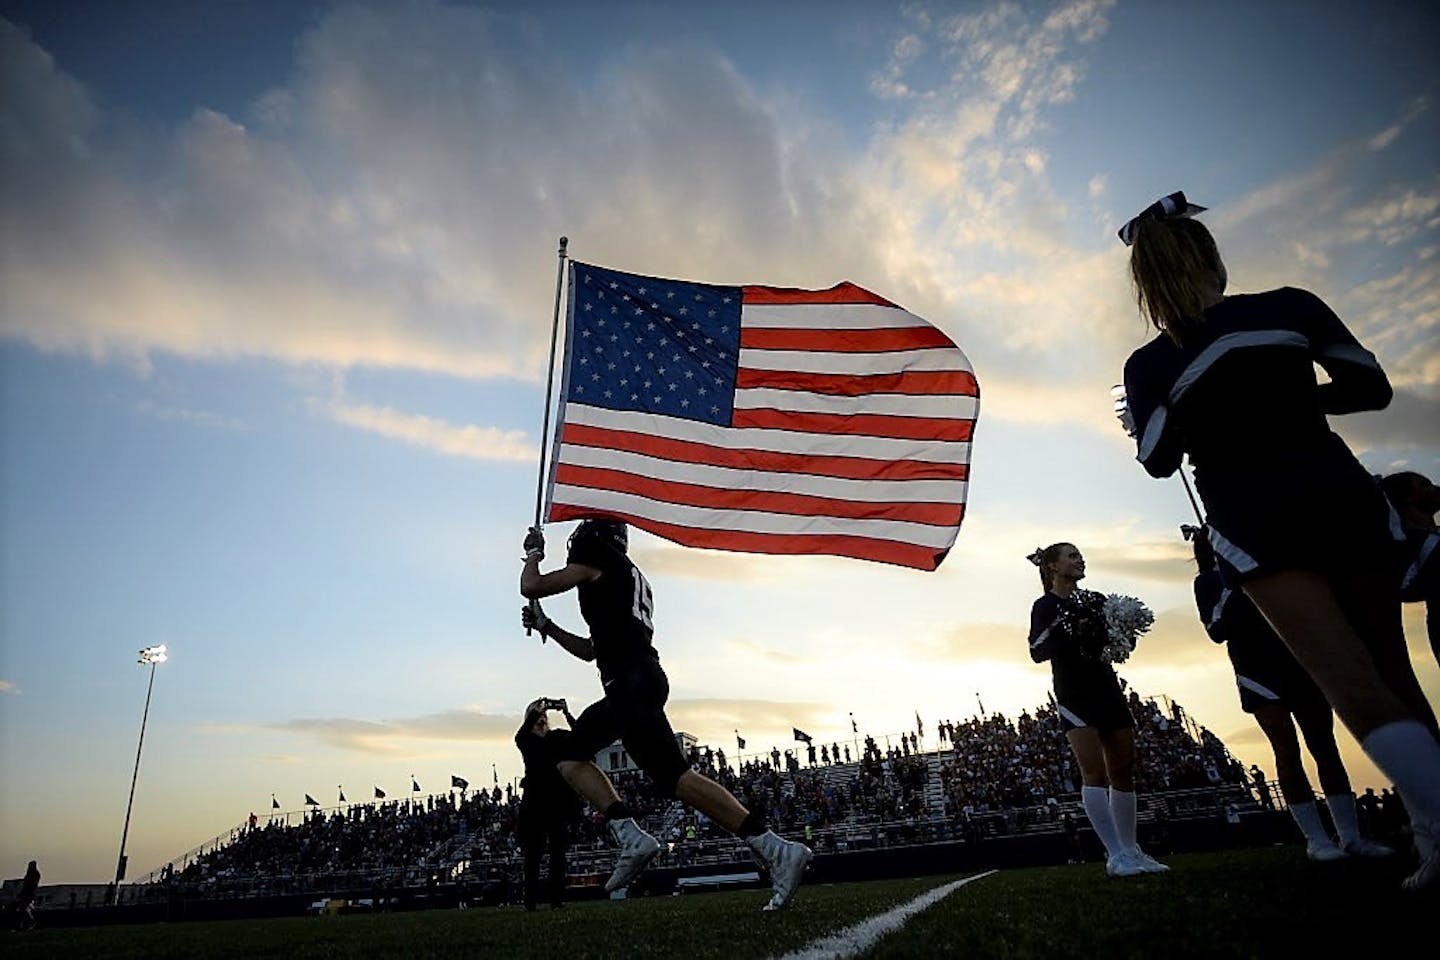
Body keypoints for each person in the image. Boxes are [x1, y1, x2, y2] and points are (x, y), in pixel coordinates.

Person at [1118, 191, 1440, 890]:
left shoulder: (1148, 363)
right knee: (1394, 669)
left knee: (1350, 683)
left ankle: (1438, 830)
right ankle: (1427, 835)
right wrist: (1290, 399)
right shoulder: (1292, 305)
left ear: (1145, 284)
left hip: (1254, 512)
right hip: (1338, 486)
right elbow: (1371, 387)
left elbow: (1157, 457)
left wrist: (1192, 410)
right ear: (1213, 259)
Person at [519, 517, 812, 911]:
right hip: (634, 680)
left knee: (675, 777)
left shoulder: (598, 556)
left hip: (630, 682)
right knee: (569, 754)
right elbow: (593, 649)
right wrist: (547, 626)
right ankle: (631, 834)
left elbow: (531, 586)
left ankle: (773, 847)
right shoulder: (625, 573)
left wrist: (534, 554)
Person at [1191, 525, 1394, 861]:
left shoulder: (1265, 564)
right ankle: (1316, 839)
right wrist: (1234, 585)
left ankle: (1351, 835)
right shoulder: (1209, 581)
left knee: (1325, 746)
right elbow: (1216, 629)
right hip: (1256, 669)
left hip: (1299, 659)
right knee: (1286, 748)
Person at [1027, 542, 1168, 877]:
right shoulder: (1046, 605)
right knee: (1095, 772)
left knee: (1123, 769)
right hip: (1074, 692)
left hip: (1106, 686)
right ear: (1052, 566)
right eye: (1072, 556)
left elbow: (1119, 645)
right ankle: (1115, 854)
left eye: (1080, 555)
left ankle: (1132, 850)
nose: (1080, 560)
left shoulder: (1096, 599)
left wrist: (1120, 631)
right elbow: (1037, 649)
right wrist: (1073, 631)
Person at [514, 696, 584, 910]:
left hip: (557, 799)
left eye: (544, 715)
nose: (542, 718)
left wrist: (566, 712)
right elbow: (521, 733)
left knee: (558, 853)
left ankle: (556, 899)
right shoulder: (526, 740)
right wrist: (538, 709)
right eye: (538, 715)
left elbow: (581, 736)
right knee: (533, 854)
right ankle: (531, 900)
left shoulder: (556, 737)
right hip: (535, 800)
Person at [1381, 471, 1440, 670]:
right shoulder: (1404, 543)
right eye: (1425, 485)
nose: (1435, 489)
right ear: (1406, 498)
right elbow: (1406, 588)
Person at [14, 860, 39, 931]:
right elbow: (25, 884)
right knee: (22, 908)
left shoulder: (35, 874)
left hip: (29, 893)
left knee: (24, 908)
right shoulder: (28, 874)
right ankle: (22, 925)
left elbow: (32, 885)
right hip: (25, 893)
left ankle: (31, 921)